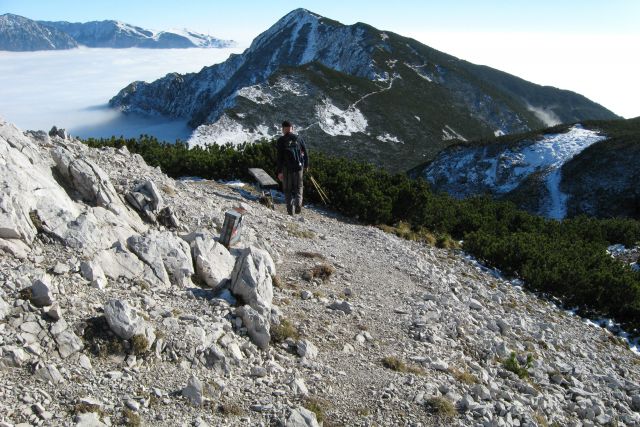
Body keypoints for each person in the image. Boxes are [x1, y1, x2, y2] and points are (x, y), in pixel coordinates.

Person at [276, 120, 309, 215]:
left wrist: (279, 172)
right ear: (292, 128)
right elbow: (305, 153)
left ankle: (290, 211)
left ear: (283, 129)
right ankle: (298, 204)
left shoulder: (281, 140)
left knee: (287, 190)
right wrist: (306, 165)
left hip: (286, 169)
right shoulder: (299, 139)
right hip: (299, 168)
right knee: (299, 187)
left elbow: (279, 158)